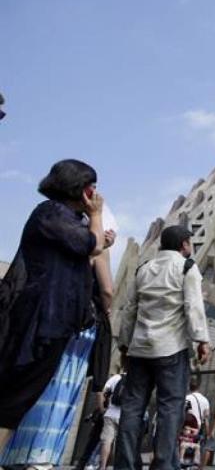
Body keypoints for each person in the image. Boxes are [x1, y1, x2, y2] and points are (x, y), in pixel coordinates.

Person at [0, 160, 108, 453]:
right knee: (12, 399)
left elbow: (87, 250)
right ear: (77, 187)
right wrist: (97, 216)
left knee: (18, 399)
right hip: (37, 321)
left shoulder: (65, 218)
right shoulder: (51, 213)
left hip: (50, 321)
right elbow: (92, 245)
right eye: (91, 186)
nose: (95, 193)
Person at [115, 224, 210, 470]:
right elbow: (193, 307)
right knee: (170, 409)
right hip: (171, 348)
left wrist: (124, 345)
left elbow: (130, 310)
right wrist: (202, 339)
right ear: (184, 244)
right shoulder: (187, 267)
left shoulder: (144, 269)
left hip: (140, 349)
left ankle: (125, 464)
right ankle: (163, 464)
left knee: (132, 408)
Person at [100, 370, 126, 470]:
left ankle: (103, 467)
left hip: (110, 414)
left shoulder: (115, 378)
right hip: (125, 416)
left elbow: (103, 392)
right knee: (121, 443)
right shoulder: (136, 378)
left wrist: (102, 408)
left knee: (107, 441)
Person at [185, 378, 211, 470]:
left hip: (187, 428)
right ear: (198, 387)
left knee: (184, 448)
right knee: (198, 449)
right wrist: (208, 432)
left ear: (189, 387)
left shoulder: (187, 398)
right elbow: (206, 418)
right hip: (199, 429)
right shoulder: (205, 400)